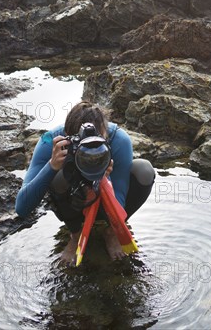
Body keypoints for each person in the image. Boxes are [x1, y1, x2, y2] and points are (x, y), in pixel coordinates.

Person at [15, 101, 155, 265]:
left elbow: (119, 199)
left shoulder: (118, 139)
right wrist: (52, 166)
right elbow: (22, 208)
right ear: (69, 136)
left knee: (144, 170)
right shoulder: (51, 142)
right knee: (59, 178)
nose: (94, 151)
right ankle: (75, 234)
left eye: (99, 141)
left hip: (105, 202)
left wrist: (104, 178)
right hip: (71, 204)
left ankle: (111, 232)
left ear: (106, 133)